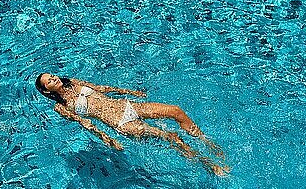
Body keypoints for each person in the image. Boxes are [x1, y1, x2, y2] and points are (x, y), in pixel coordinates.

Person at [35, 73, 230, 176]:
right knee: (172, 138)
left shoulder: (73, 83)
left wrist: (130, 92)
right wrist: (109, 140)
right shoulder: (61, 108)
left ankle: (206, 141)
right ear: (46, 91)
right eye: (49, 81)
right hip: (121, 123)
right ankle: (210, 166)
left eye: (52, 75)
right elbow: (86, 124)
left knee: (175, 111)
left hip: (129, 106)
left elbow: (102, 89)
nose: (53, 78)